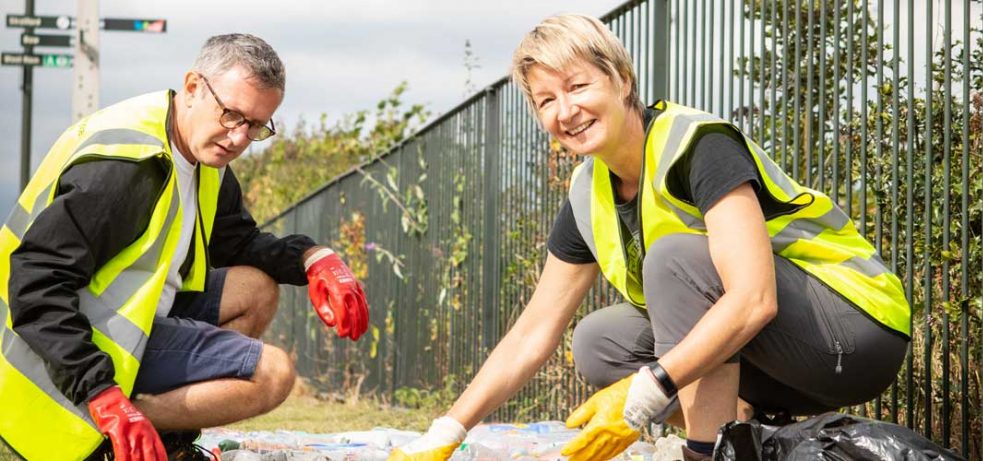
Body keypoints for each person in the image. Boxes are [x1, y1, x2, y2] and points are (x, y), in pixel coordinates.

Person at [389, 14, 910, 461]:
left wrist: (647, 392)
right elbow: (532, 334)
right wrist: (448, 430)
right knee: (598, 343)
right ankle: (743, 426)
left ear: (620, 79)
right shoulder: (587, 194)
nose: (564, 111)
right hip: (775, 363)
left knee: (674, 258)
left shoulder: (697, 145)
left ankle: (706, 453)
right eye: (546, 100)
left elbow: (754, 298)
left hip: (852, 332)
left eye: (577, 87)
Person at [0, 34, 369, 461]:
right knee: (272, 374)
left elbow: (241, 242)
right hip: (57, 356)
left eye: (255, 126)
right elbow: (33, 283)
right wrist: (100, 393)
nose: (238, 138)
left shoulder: (200, 156)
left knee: (256, 288)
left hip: (128, 324)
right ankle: (114, 434)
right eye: (231, 115)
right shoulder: (126, 168)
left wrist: (314, 259)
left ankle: (162, 436)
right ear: (193, 86)